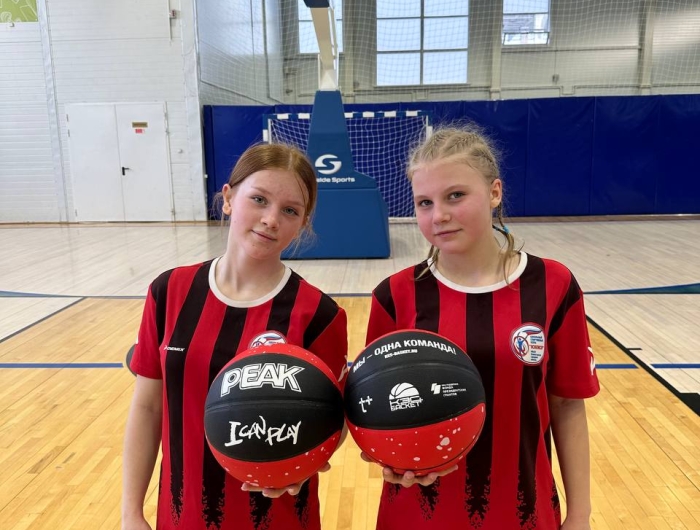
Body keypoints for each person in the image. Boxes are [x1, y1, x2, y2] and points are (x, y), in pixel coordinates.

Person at [364, 126, 600, 530]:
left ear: (494, 192)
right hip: (418, 515)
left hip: (524, 512)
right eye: (424, 202)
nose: (438, 215)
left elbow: (566, 405)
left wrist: (580, 515)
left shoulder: (553, 285)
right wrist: (385, 459)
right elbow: (374, 411)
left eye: (455, 195)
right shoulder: (395, 295)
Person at [122, 143, 348, 530]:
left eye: (290, 211)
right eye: (259, 199)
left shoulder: (319, 314)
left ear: (302, 223)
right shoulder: (169, 291)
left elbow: (333, 422)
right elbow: (148, 408)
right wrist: (130, 513)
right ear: (228, 198)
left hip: (279, 516)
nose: (271, 219)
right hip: (183, 515)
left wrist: (306, 463)